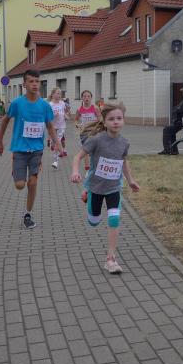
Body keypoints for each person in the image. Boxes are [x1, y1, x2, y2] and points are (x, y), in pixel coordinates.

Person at [70, 103, 140, 274]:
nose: (116, 122)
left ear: (123, 120)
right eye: (111, 119)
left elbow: (123, 162)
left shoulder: (124, 142)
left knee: (114, 219)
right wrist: (75, 171)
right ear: (104, 121)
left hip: (114, 187)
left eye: (119, 118)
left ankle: (110, 258)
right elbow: (78, 157)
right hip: (95, 187)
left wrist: (130, 180)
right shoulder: (96, 140)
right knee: (93, 221)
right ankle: (87, 195)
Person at [0, 69, 63, 229]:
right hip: (19, 149)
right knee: (20, 185)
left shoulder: (44, 105)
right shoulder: (17, 103)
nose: (34, 84)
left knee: (32, 183)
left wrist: (57, 142)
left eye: (37, 81)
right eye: (31, 81)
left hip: (36, 150)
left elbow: (49, 125)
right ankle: (16, 171)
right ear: (24, 84)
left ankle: (28, 214)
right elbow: (5, 120)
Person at [75, 90, 100, 172]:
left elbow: (100, 120)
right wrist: (78, 125)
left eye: (88, 96)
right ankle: (87, 170)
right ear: (82, 98)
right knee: (85, 150)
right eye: (84, 96)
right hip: (84, 133)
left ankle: (95, 167)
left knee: (94, 151)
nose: (86, 98)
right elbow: (76, 120)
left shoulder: (95, 108)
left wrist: (96, 126)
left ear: (91, 98)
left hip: (94, 132)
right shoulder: (79, 109)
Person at [48, 87, 71, 169]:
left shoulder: (62, 103)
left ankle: (55, 161)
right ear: (53, 94)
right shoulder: (50, 105)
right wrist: (54, 115)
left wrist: (66, 115)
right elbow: (47, 116)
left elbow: (66, 111)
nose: (59, 95)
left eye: (60, 93)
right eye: (57, 93)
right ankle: (58, 152)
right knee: (54, 143)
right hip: (52, 126)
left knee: (58, 142)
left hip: (61, 126)